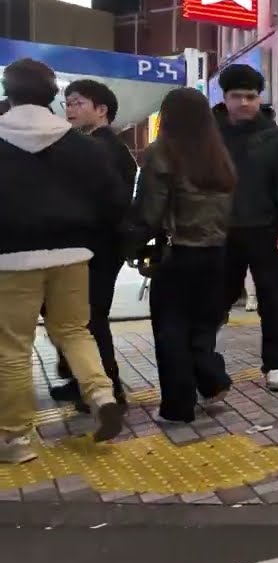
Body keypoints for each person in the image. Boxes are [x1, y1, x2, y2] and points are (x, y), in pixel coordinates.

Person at [0, 58, 129, 463]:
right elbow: (113, 201)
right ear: (53, 96)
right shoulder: (83, 146)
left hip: (10, 258)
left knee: (13, 346)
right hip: (74, 254)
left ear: (9, 92)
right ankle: (101, 394)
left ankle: (14, 438)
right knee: (75, 330)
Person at [136, 87, 237, 423]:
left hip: (178, 254)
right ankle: (212, 381)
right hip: (216, 253)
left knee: (171, 330)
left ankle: (178, 407)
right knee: (202, 326)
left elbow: (149, 213)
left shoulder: (161, 153)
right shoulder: (217, 154)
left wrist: (132, 246)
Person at [46, 79, 137, 408]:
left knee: (90, 318)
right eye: (67, 103)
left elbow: (109, 203)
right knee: (75, 317)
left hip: (97, 247)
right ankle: (79, 379)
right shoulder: (100, 145)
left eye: (78, 103)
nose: (70, 109)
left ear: (102, 110)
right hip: (93, 245)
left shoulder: (102, 148)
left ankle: (109, 388)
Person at [213, 64, 278, 392]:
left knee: (272, 299)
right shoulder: (209, 136)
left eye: (251, 96)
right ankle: (207, 359)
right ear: (224, 98)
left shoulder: (276, 139)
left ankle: (275, 364)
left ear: (259, 97)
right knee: (216, 300)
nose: (245, 103)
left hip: (266, 231)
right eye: (237, 96)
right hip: (219, 231)